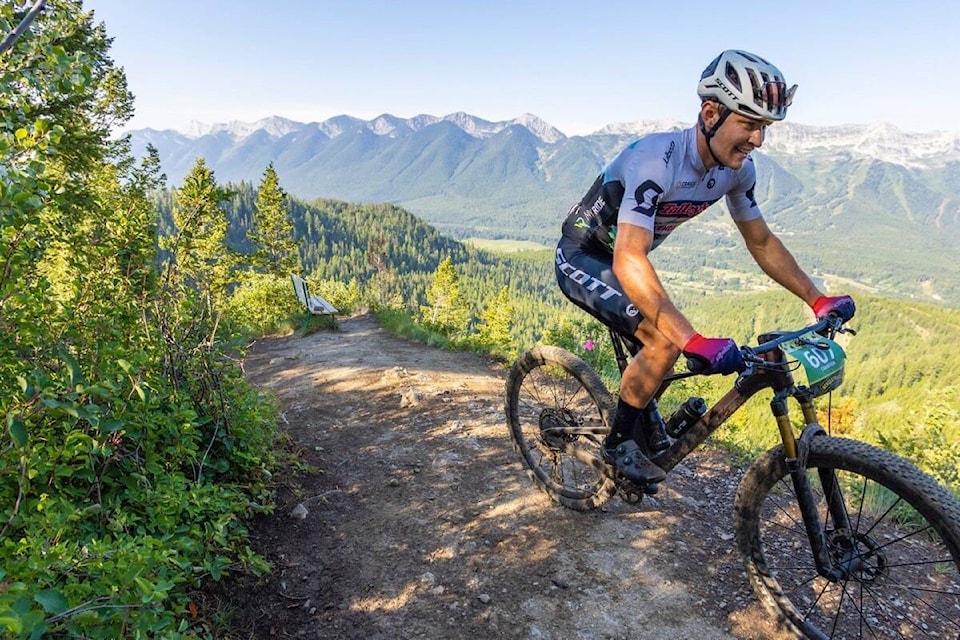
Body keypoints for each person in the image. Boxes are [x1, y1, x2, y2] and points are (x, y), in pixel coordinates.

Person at [555, 49, 855, 487]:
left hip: (627, 260)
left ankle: (644, 423)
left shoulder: (737, 172)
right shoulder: (656, 160)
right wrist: (690, 338)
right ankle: (617, 444)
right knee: (664, 341)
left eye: (764, 127)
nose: (758, 140)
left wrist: (817, 298)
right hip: (584, 255)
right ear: (711, 113)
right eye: (749, 124)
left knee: (661, 345)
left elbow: (762, 240)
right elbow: (629, 258)